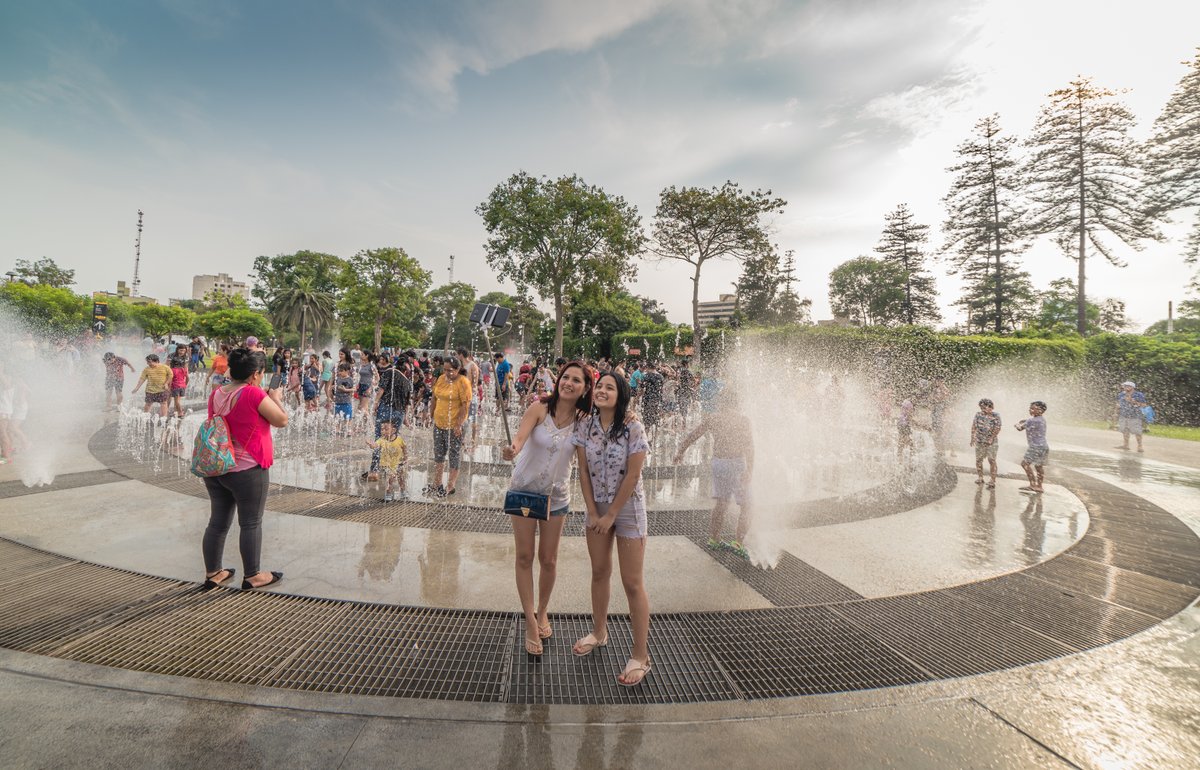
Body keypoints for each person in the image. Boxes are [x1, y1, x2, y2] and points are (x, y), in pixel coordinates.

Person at [503, 361, 594, 656]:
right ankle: (530, 621)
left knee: (549, 560)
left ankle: (542, 610)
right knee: (525, 556)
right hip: (525, 492)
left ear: (585, 388)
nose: (568, 383)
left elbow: (584, 466)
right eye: (565, 377)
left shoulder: (583, 421)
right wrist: (511, 450)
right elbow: (518, 441)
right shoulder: (539, 408)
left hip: (556, 498)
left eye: (576, 380)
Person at [571, 371, 652, 687]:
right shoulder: (585, 425)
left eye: (610, 387)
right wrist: (593, 511)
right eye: (600, 386)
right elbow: (582, 471)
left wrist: (612, 514)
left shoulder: (633, 427)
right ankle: (599, 632)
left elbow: (633, 475)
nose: (602, 391)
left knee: (632, 582)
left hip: (629, 509)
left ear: (621, 395)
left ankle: (641, 655)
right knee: (599, 572)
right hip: (597, 507)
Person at [200, 348, 289, 591]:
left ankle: (213, 572)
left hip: (218, 467)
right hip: (247, 469)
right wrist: (276, 397)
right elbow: (281, 420)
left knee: (217, 522)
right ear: (255, 374)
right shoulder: (253, 393)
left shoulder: (217, 393)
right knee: (251, 522)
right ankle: (253, 575)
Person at [674, 390, 754, 557]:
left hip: (719, 463)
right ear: (736, 403)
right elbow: (749, 446)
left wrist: (680, 451)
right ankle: (738, 543)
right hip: (737, 464)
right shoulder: (743, 420)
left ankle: (714, 539)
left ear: (721, 403)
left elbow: (694, 435)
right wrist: (749, 470)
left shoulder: (714, 418)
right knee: (747, 506)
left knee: (721, 503)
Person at [426, 357, 472, 497]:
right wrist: (430, 415)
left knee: (454, 454)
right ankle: (437, 482)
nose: (447, 373)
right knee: (439, 453)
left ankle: (450, 485)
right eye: (445, 370)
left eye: (450, 370)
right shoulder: (441, 379)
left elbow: (465, 405)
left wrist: (458, 425)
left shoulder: (463, 382)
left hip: (454, 425)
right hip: (439, 423)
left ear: (458, 369)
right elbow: (434, 398)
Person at [366, 356, 412, 481]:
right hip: (399, 413)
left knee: (380, 439)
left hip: (386, 408)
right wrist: (405, 418)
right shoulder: (407, 382)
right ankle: (392, 469)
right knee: (393, 440)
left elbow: (381, 389)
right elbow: (407, 402)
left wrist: (375, 403)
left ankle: (374, 471)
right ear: (406, 370)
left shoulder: (389, 372)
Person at [367, 421, 408, 501]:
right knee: (389, 479)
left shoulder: (399, 439)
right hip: (387, 464)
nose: (383, 431)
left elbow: (404, 448)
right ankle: (389, 493)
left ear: (393, 430)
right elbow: (375, 445)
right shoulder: (381, 440)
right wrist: (371, 445)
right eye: (382, 429)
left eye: (386, 429)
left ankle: (403, 490)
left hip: (398, 463)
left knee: (401, 478)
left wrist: (406, 457)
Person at [1016, 401, 1049, 494]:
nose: (1030, 410)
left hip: (1035, 446)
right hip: (1043, 446)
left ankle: (1032, 484)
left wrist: (1017, 424)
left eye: (1033, 408)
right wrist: (1025, 421)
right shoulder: (1041, 419)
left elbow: (1020, 428)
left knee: (1025, 464)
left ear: (1041, 410)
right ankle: (1039, 486)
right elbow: (1029, 422)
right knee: (1038, 466)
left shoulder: (1032, 421)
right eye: (1030, 408)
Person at [970, 398, 1002, 489]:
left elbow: (998, 428)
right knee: (979, 460)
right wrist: (972, 437)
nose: (982, 410)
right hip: (980, 440)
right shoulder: (978, 414)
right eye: (981, 408)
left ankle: (992, 480)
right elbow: (974, 426)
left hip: (991, 442)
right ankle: (980, 477)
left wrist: (991, 438)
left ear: (991, 407)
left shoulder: (996, 416)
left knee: (991, 460)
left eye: (984, 407)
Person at [131, 354, 172, 418]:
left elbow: (170, 376)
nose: (148, 363)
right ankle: (145, 418)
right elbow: (142, 379)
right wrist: (137, 388)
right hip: (150, 390)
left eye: (149, 362)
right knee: (148, 404)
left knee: (163, 403)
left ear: (156, 361)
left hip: (162, 389)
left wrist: (166, 383)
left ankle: (164, 418)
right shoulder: (146, 369)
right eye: (147, 362)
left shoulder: (165, 367)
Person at [1114, 381, 1148, 453]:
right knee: (1125, 430)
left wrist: (1133, 401)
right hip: (1123, 415)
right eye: (1124, 386)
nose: (1125, 387)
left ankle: (1140, 446)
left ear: (1132, 387)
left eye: (1127, 386)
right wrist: (1116, 413)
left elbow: (1144, 405)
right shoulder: (1121, 394)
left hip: (1135, 416)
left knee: (1137, 431)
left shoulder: (1139, 395)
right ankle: (1126, 445)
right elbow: (1118, 404)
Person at [169, 349, 189, 418]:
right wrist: (185, 385)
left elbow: (170, 379)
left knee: (176, 401)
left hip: (175, 386)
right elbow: (187, 378)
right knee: (177, 400)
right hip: (182, 386)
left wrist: (169, 387)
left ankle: (180, 413)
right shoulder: (183, 369)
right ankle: (176, 413)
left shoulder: (172, 370)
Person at [333, 362, 355, 426]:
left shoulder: (350, 379)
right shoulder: (338, 379)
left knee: (347, 418)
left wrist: (345, 390)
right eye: (339, 371)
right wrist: (334, 387)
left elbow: (354, 389)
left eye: (341, 371)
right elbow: (334, 387)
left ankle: (348, 430)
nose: (340, 372)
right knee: (337, 418)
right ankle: (337, 430)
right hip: (338, 401)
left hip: (346, 402)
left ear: (347, 371)